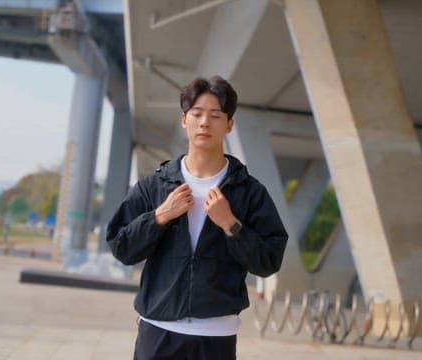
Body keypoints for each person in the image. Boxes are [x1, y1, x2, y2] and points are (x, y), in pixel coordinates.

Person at [106, 76, 288, 360]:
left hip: (215, 336)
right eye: (197, 114)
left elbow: (268, 261)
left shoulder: (249, 192)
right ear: (184, 120)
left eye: (215, 116)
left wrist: (231, 224)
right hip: (158, 329)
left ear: (229, 124)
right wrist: (160, 216)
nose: (205, 123)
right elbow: (121, 247)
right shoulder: (154, 186)